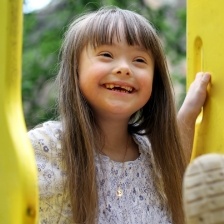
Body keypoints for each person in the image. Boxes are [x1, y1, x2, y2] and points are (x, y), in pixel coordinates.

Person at [28, 6, 211, 224]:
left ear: (156, 79)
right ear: (75, 70)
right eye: (106, 55)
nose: (124, 68)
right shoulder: (47, 147)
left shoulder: (158, 159)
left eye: (139, 60)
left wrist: (189, 113)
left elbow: (176, 154)